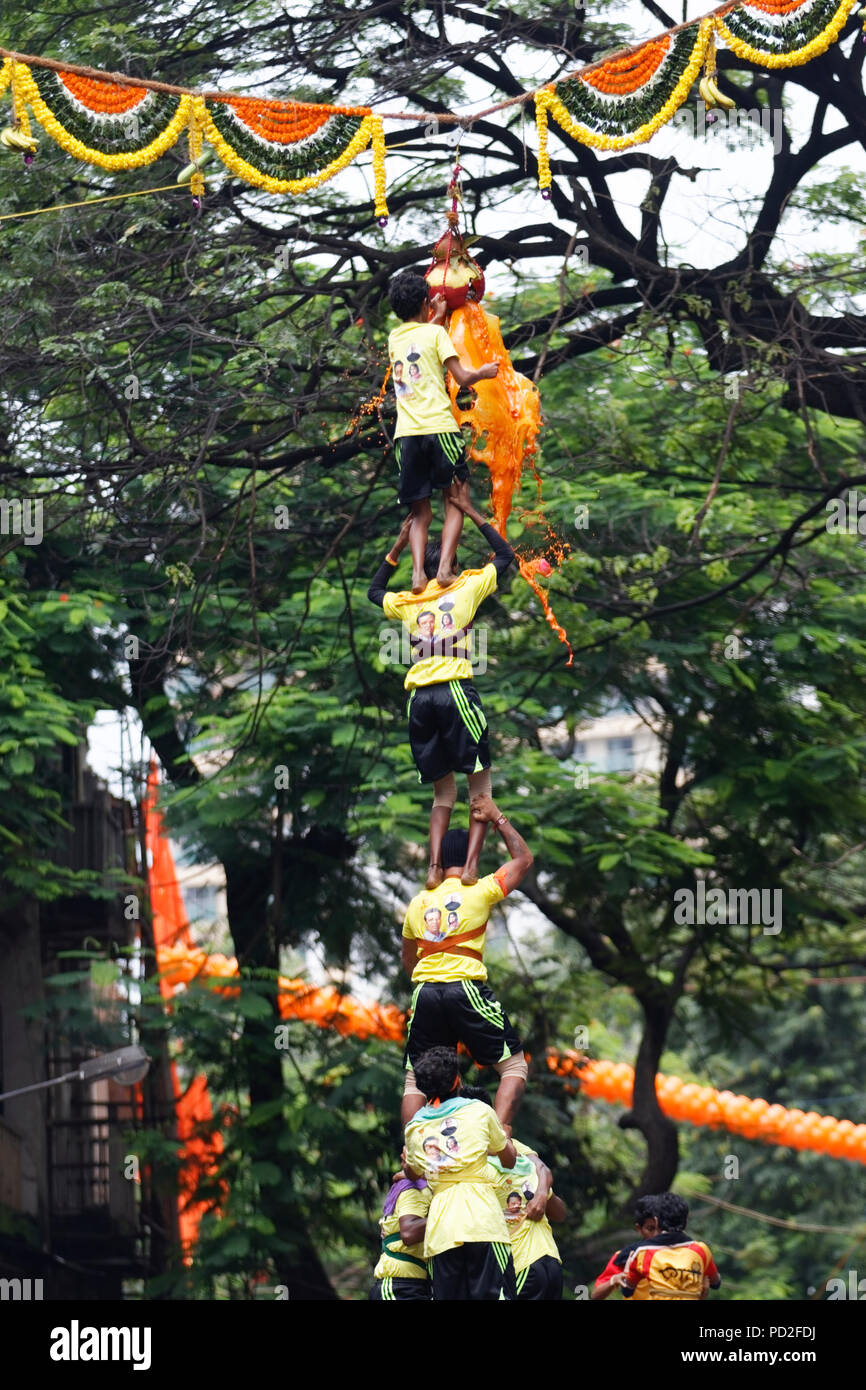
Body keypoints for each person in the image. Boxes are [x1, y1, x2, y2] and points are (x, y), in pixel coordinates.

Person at [367, 498, 516, 888]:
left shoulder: (410, 599)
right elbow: (505, 554)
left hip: (419, 701)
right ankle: (469, 868)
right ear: (448, 563)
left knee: (442, 792)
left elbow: (374, 590)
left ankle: (434, 868)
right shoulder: (465, 585)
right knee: (480, 786)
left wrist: (400, 545)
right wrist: (469, 510)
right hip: (454, 692)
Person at [399, 805, 532, 1128]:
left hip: (425, 993)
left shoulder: (418, 902)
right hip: (466, 989)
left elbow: (408, 959)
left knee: (415, 1079)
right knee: (513, 1067)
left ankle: (412, 1154)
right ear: (473, 855)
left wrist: (433, 982)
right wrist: (498, 817)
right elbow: (523, 860)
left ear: (440, 860)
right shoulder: (480, 890)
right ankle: (499, 1142)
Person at [386, 271, 499, 594]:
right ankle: (446, 569)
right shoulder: (437, 335)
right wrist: (484, 372)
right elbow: (462, 378)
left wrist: (433, 317)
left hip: (406, 436)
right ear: (425, 302)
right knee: (456, 501)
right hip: (440, 431)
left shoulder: (395, 338)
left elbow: (417, 347)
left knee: (420, 512)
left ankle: (418, 576)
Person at [403, 1046, 517, 1301]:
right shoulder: (479, 1111)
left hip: (441, 1228)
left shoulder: (414, 1127)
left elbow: (412, 1172)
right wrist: (501, 1136)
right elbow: (508, 1159)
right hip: (482, 1221)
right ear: (457, 1079)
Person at [621, 1192, 721, 1301]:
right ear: (686, 1221)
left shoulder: (644, 1252)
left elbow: (627, 1290)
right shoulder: (701, 1250)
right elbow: (716, 1283)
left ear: (657, 1221)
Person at [369, 1171, 432, 1301]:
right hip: (399, 1287)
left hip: (415, 1284)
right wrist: (449, 1214)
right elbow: (409, 1232)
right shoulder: (415, 1188)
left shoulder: (431, 1188)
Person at [591, 1194, 661, 1301]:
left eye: (661, 1228)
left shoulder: (682, 1253)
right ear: (639, 1228)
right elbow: (595, 1295)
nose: (657, 1234)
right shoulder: (625, 1256)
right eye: (650, 1229)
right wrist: (614, 1280)